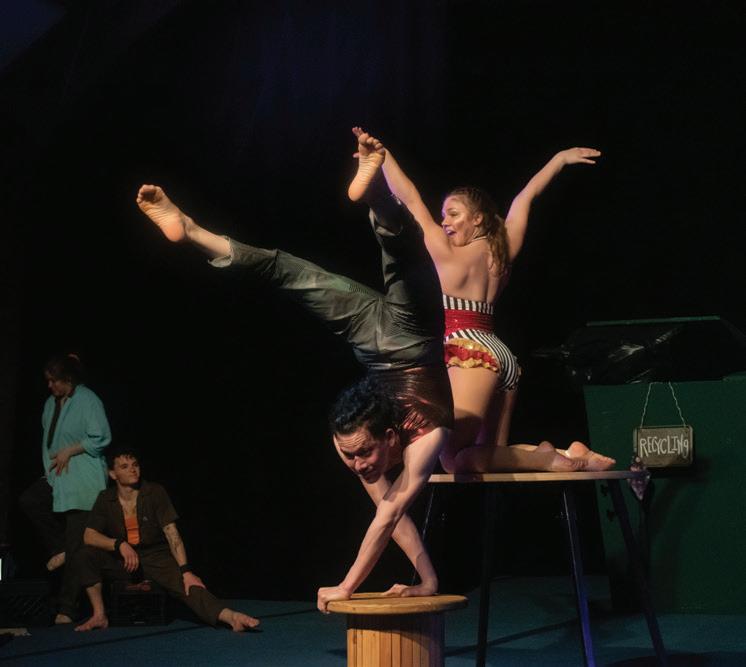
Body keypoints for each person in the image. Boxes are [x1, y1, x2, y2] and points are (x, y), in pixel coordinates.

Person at [136, 133, 452, 613]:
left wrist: (348, 586)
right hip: (409, 336)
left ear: (389, 437)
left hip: (376, 340)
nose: (358, 464)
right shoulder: (373, 441)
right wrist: (424, 580)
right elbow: (391, 515)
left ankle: (374, 192)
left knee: (383, 262)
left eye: (362, 454)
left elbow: (390, 515)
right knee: (309, 268)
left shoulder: (408, 442)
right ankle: (192, 230)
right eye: (351, 454)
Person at [363, 127, 615, 473]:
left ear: (478, 218)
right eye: (444, 215)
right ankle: (570, 454)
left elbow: (409, 198)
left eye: (453, 213)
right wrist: (559, 160)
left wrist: (383, 156)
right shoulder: (504, 249)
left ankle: (548, 459)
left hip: (469, 350)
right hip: (500, 352)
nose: (444, 222)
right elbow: (525, 198)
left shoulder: (446, 251)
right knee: (491, 455)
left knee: (451, 459)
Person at [74, 447, 259, 632]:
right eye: (125, 466)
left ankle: (231, 617)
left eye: (135, 465)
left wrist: (185, 571)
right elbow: (89, 536)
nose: (133, 469)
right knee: (85, 555)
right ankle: (99, 615)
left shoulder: (154, 492)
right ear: (113, 474)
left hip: (155, 558)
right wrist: (118, 544)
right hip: (124, 561)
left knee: (187, 584)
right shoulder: (105, 498)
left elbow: (172, 533)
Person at [19, 353, 111, 623]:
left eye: (54, 381)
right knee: (30, 500)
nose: (49, 386)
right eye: (48, 381)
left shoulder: (88, 400)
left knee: (77, 546)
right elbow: (49, 441)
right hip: (58, 478)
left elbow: (101, 436)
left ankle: (67, 609)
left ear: (68, 379)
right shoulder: (50, 403)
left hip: (83, 481)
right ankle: (58, 548)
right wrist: (48, 470)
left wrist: (71, 450)